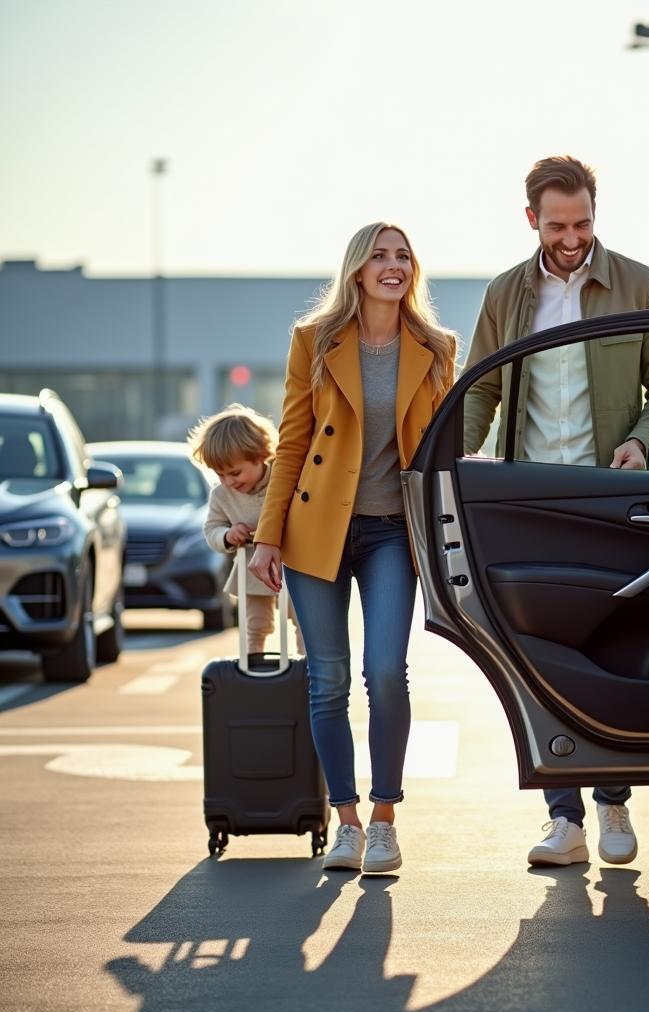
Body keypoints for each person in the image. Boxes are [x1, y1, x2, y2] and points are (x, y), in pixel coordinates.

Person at [463, 155, 649, 868]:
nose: (572, 237)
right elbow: (481, 391)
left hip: (608, 496)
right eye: (557, 224)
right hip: (528, 497)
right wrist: (456, 458)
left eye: (583, 222)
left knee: (611, 646)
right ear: (531, 218)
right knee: (539, 656)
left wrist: (639, 438)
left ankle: (615, 801)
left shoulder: (639, 283)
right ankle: (563, 818)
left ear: (596, 212)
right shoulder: (507, 294)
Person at [249, 222, 457, 874]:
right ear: (357, 271)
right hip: (318, 531)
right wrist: (267, 536)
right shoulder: (314, 341)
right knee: (328, 679)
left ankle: (386, 819)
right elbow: (290, 441)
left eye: (402, 256)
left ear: (411, 271)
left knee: (386, 673)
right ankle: (345, 822)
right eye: (379, 256)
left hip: (393, 530)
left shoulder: (435, 346)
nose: (392, 266)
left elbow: (445, 447)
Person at [189, 404, 305, 656]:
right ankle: (253, 661)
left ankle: (309, 667)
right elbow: (212, 529)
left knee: (304, 619)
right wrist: (228, 536)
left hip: (292, 565)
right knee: (255, 622)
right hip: (251, 567)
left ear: (261, 454)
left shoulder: (282, 478)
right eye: (219, 475)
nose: (228, 481)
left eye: (235, 472)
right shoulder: (222, 495)